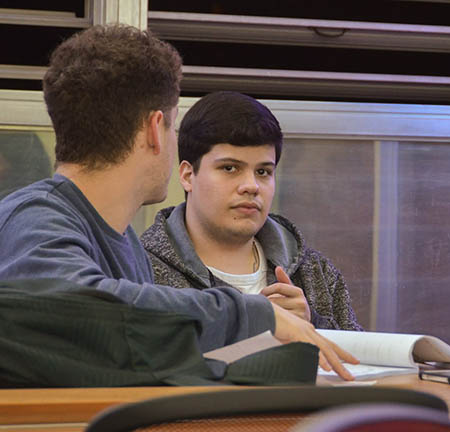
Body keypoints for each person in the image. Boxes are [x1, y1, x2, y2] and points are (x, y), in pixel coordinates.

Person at [0, 24, 357, 380]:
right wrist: (252, 315)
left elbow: (140, 364)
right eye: (173, 127)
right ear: (155, 129)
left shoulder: (124, 246)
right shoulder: (33, 218)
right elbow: (79, 315)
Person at [140, 91, 362, 331]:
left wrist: (313, 326)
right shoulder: (141, 272)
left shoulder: (316, 272)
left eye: (263, 172)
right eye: (230, 168)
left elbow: (362, 362)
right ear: (187, 176)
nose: (251, 186)